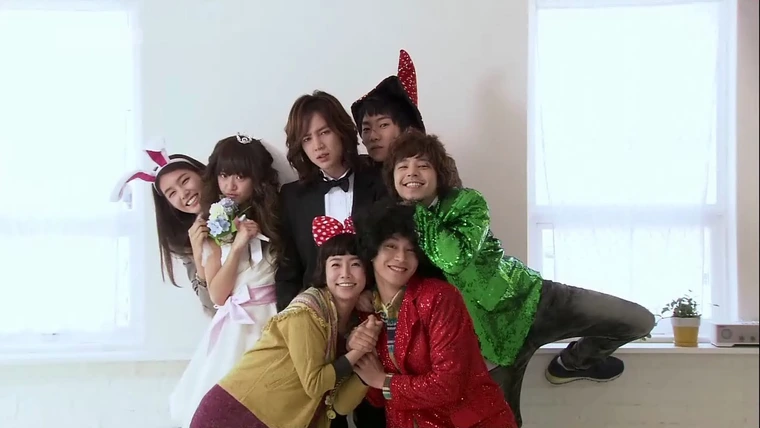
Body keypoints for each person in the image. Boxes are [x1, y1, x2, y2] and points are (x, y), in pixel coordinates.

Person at [382, 130, 656, 426]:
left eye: (423, 165)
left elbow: (455, 258)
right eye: (402, 166)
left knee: (639, 320)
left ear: (439, 173)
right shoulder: (394, 226)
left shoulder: (467, 202)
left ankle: (572, 363)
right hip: (489, 343)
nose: (412, 172)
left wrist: (415, 211)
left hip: (534, 301)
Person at [189, 216, 377, 428]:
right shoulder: (307, 312)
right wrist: (358, 352)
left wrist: (367, 369)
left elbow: (338, 406)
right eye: (335, 264)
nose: (345, 274)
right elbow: (316, 384)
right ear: (323, 272)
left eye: (355, 264)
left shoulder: (355, 325)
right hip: (235, 414)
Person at [348, 200, 516, 428]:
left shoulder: (439, 297)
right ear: (372, 251)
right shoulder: (368, 311)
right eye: (391, 246)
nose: (401, 257)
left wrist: (383, 381)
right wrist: (356, 350)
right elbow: (377, 397)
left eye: (411, 250)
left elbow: (447, 384)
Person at [277, 90, 388, 427]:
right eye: (306, 138)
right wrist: (295, 323)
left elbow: (394, 248)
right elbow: (288, 266)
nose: (318, 145)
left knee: (374, 413)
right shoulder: (292, 196)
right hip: (320, 323)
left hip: (373, 317)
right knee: (324, 415)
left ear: (341, 131)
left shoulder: (381, 179)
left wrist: (375, 298)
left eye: (324, 132)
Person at [168, 134, 282, 427]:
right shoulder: (213, 227)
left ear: (256, 179)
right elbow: (218, 296)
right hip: (237, 324)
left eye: (240, 177)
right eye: (223, 175)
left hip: (275, 318)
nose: (230, 185)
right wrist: (239, 245)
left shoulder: (276, 218)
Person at [111, 149, 215, 314]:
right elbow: (211, 307)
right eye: (172, 193)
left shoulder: (236, 200)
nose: (183, 193)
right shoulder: (186, 242)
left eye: (185, 180)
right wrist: (198, 255)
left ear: (201, 174)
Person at [350, 49, 461, 187]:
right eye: (366, 129)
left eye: (383, 125)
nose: (373, 136)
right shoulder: (358, 172)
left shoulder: (437, 165)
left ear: (406, 128)